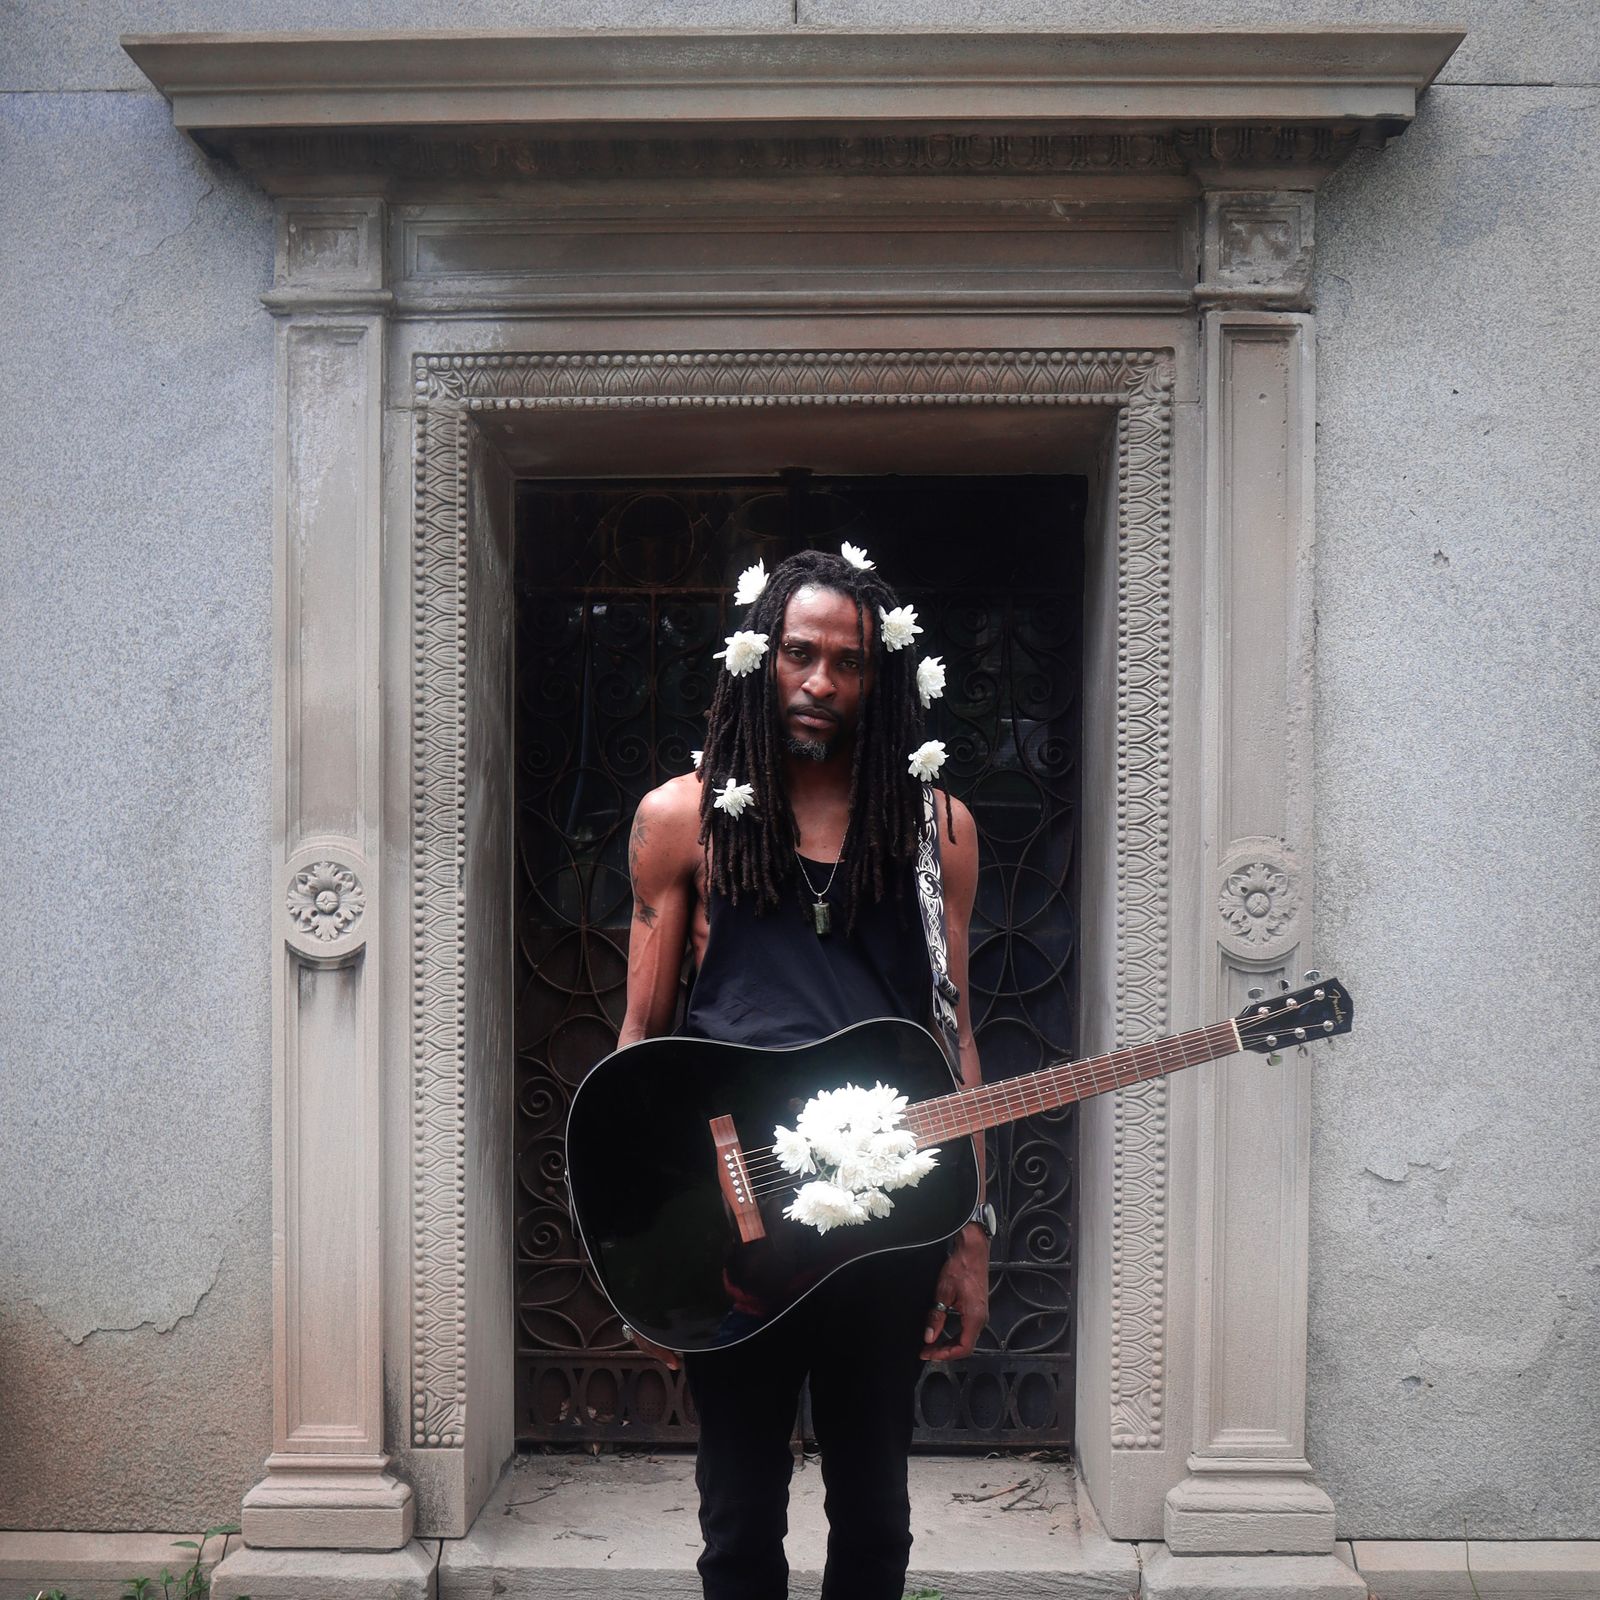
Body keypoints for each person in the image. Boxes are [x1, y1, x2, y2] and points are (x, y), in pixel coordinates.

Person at [616, 545, 991, 1600]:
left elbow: (956, 1034)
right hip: (733, 1224)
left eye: (848, 661)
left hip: (890, 1223)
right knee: (738, 1522)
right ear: (759, 657)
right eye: (798, 654)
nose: (820, 681)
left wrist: (971, 1230)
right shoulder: (680, 818)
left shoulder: (935, 829)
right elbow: (641, 1037)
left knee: (875, 1519)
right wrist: (639, 1256)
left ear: (880, 676)